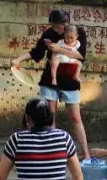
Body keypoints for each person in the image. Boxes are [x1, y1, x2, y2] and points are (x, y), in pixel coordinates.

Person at [11, 9, 90, 160]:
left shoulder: (77, 32)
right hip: (50, 78)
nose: (58, 30)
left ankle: (86, 154)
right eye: (54, 26)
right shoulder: (49, 33)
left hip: (70, 79)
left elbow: (81, 56)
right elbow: (37, 53)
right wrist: (19, 60)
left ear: (66, 23)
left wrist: (59, 49)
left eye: (60, 26)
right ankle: (53, 153)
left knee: (76, 118)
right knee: (50, 116)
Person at [49, 24, 82, 89]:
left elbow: (78, 54)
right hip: (60, 57)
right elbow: (55, 51)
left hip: (71, 59)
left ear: (76, 36)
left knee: (80, 64)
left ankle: (76, 76)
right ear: (64, 35)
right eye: (67, 37)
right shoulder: (60, 42)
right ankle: (54, 78)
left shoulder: (77, 43)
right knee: (54, 63)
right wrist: (52, 59)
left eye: (71, 38)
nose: (69, 40)